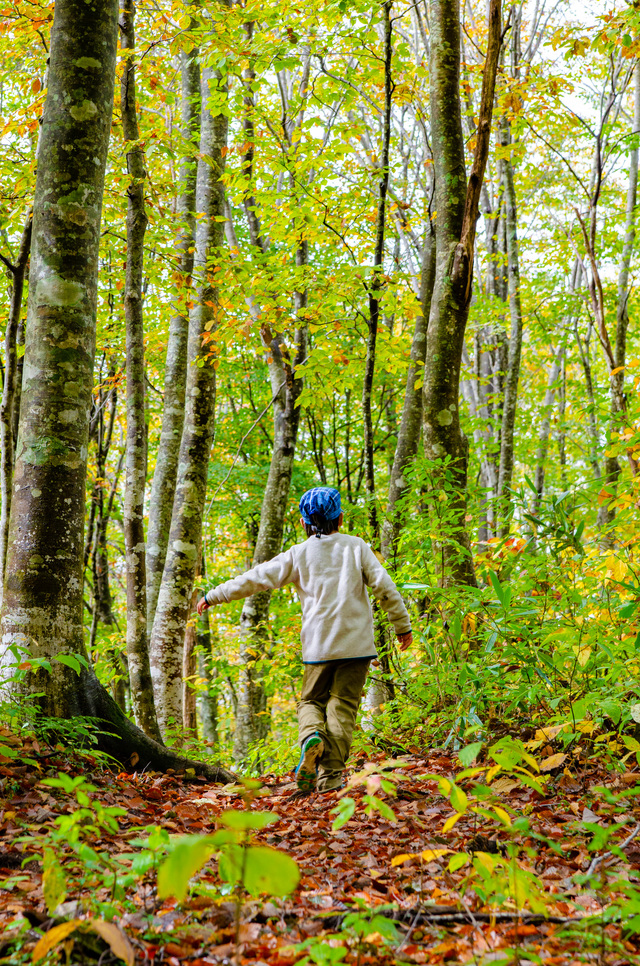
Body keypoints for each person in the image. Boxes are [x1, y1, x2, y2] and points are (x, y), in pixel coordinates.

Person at [196, 487, 413, 794]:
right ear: (339, 518)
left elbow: (257, 577)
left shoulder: (298, 554)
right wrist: (402, 626)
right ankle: (330, 779)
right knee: (344, 706)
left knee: (310, 701)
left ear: (303, 523)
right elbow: (384, 586)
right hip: (356, 648)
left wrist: (214, 595)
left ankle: (312, 735)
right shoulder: (356, 547)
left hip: (318, 648)